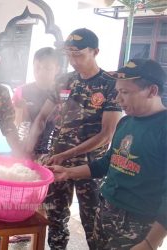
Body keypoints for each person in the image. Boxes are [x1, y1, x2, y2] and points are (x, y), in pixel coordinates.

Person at [50, 58, 167, 250]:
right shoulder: (126, 122)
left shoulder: (162, 129)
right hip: (105, 212)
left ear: (152, 91)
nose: (118, 99)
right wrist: (68, 172)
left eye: (125, 92)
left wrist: (150, 243)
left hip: (137, 225)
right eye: (118, 91)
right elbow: (107, 163)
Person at [24, 28, 122, 249]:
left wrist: (66, 154)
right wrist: (28, 146)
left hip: (91, 167)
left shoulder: (110, 84)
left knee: (93, 222)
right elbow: (41, 117)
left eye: (78, 54)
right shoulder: (64, 81)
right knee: (55, 219)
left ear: (95, 51)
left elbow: (106, 134)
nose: (73, 60)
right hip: (57, 163)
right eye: (69, 54)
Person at [12, 47, 61, 158]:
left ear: (57, 69)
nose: (41, 72)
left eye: (47, 68)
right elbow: (16, 123)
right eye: (37, 68)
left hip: (53, 152)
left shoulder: (63, 93)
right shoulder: (21, 91)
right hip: (24, 150)